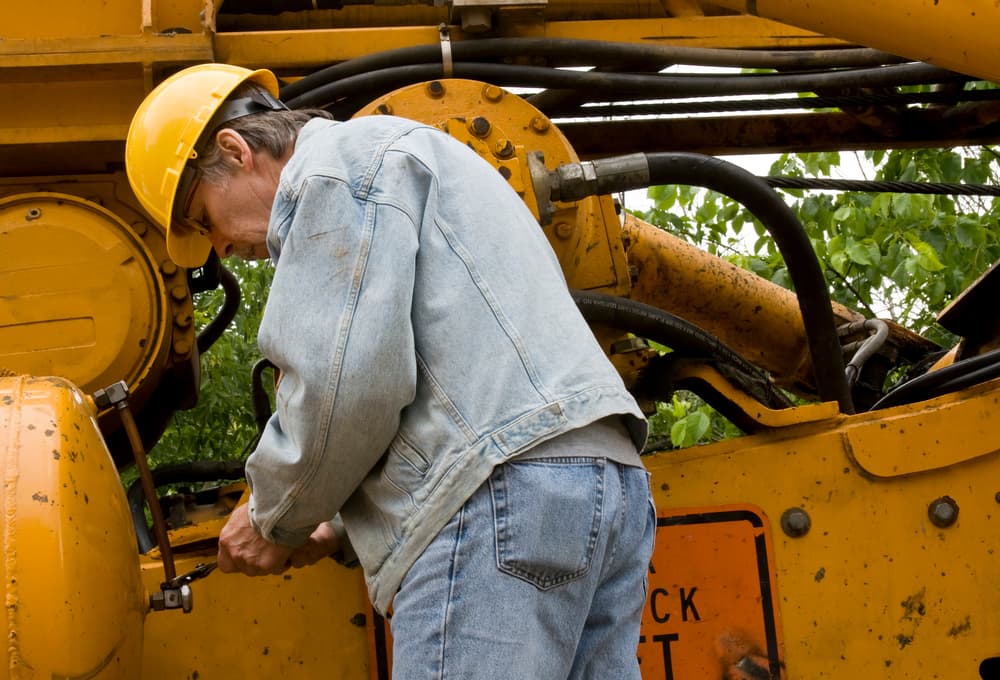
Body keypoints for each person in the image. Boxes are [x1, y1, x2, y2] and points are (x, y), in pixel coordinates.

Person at [125, 63, 655, 679]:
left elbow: (347, 381)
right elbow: (455, 389)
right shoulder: (422, 160)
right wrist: (334, 528)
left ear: (235, 150)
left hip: (500, 498)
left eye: (203, 219)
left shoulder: (336, 169)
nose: (218, 247)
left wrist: (272, 514)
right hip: (605, 489)